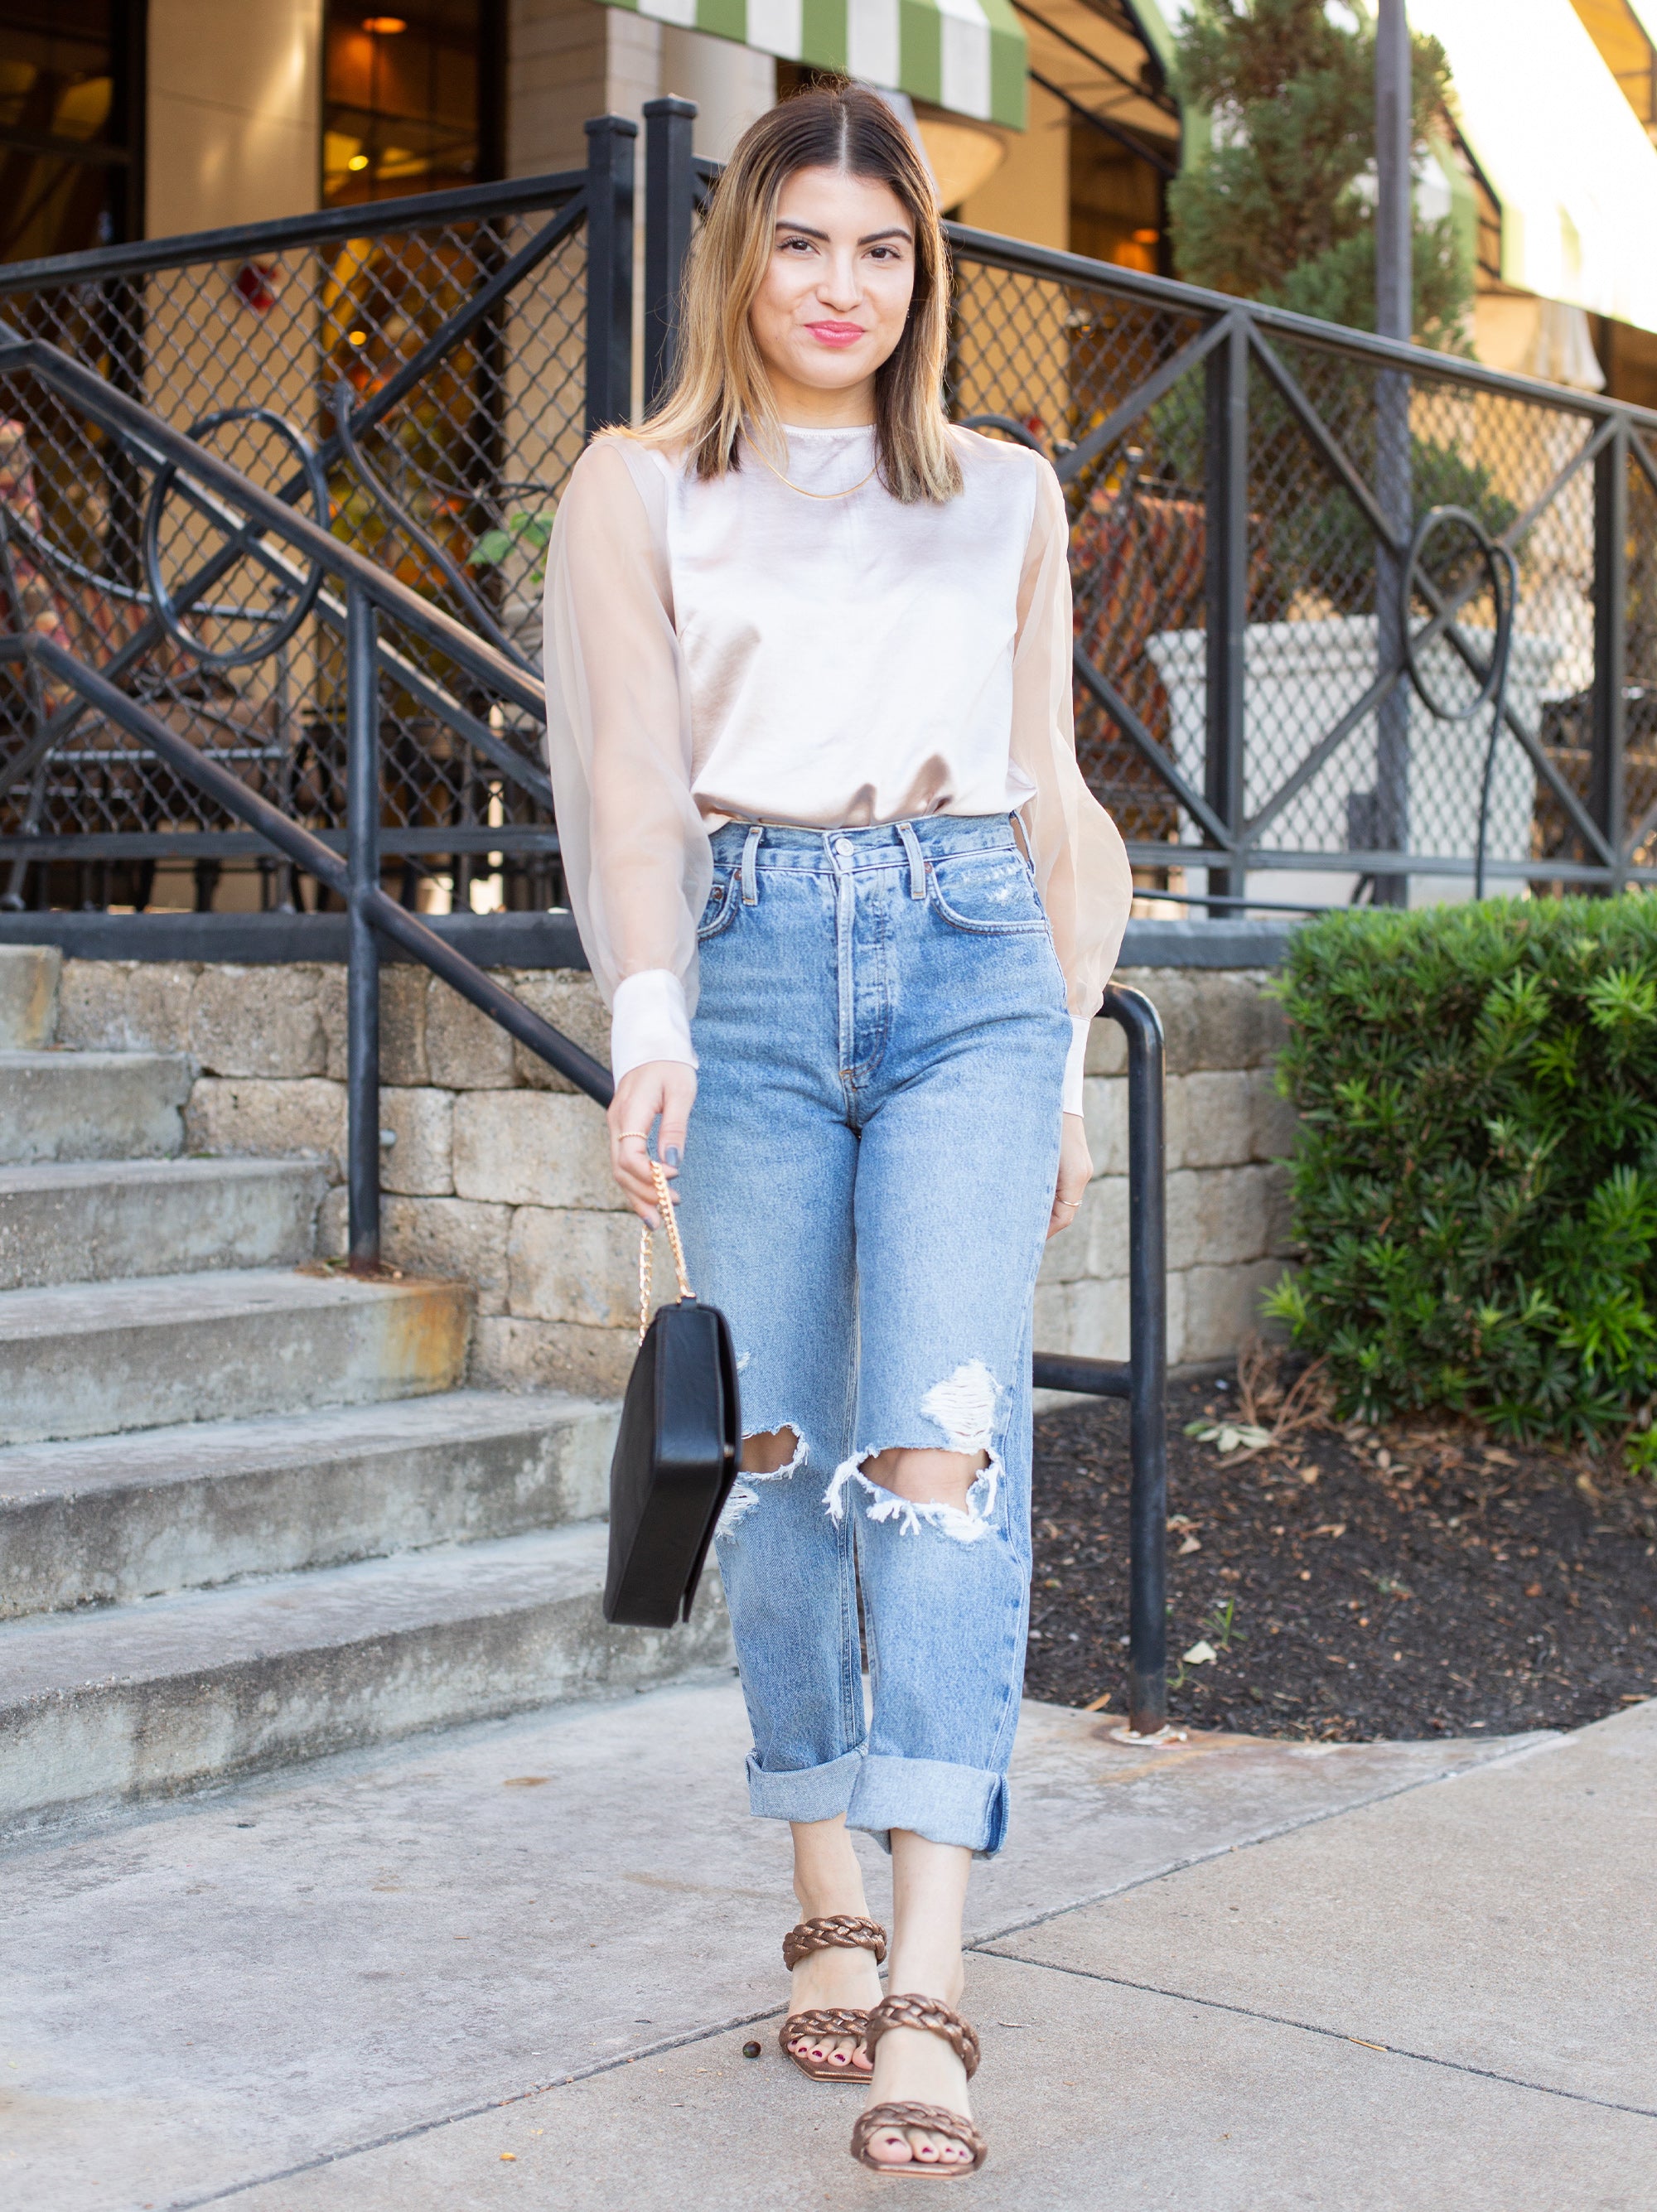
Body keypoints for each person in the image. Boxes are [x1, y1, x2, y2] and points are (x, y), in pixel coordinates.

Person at [544, 80, 1130, 2179]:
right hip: (755, 962)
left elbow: (1050, 793)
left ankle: (932, 1981)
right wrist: (648, 1018)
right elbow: (628, 777)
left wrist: (1062, 1054)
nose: (841, 286)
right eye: (803, 240)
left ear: (924, 274)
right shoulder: (639, 485)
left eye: (883, 250)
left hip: (975, 955)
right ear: (741, 257)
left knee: (945, 1451)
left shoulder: (1005, 493)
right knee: (780, 1456)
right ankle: (821, 1895)